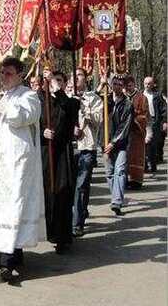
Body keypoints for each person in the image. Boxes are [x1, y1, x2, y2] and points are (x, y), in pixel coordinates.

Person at [0, 57, 45, 282]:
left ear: (20, 74)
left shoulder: (29, 96)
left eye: (9, 73)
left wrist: (0, 99)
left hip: (18, 165)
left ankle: (6, 261)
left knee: (16, 208)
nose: (4, 77)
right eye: (2, 73)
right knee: (1, 210)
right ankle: (12, 252)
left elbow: (20, 118)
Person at [40, 71, 78, 253]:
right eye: (52, 80)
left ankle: (63, 237)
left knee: (62, 194)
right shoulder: (41, 101)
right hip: (46, 153)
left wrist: (58, 91)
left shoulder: (71, 102)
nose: (56, 83)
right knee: (48, 193)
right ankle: (50, 231)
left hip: (63, 154)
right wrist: (42, 132)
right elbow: (33, 125)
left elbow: (70, 116)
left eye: (60, 80)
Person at [72, 68, 103, 237]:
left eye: (79, 75)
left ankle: (77, 223)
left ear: (86, 78)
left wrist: (85, 109)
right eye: (74, 75)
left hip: (87, 147)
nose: (76, 78)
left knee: (82, 185)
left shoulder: (94, 98)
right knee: (71, 186)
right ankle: (80, 212)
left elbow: (99, 120)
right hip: (70, 146)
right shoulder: (68, 96)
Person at [104, 75, 133, 216]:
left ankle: (116, 202)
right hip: (105, 141)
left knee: (120, 170)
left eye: (119, 84)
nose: (116, 86)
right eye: (114, 83)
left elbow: (125, 126)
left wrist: (114, 142)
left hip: (120, 143)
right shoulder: (106, 99)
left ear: (122, 86)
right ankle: (116, 196)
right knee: (109, 173)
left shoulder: (127, 104)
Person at [124, 75, 149, 189]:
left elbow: (144, 115)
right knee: (124, 156)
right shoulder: (122, 97)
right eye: (126, 86)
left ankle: (136, 181)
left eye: (130, 85)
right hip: (123, 132)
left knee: (136, 155)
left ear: (134, 85)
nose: (128, 88)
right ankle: (124, 179)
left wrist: (134, 119)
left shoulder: (142, 98)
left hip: (136, 132)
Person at [143, 77, 166, 173]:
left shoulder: (157, 95)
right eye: (146, 83)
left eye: (149, 83)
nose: (147, 85)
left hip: (154, 121)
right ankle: (144, 165)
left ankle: (152, 164)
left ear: (153, 85)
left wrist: (165, 121)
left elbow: (164, 110)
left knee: (152, 144)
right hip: (143, 121)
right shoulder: (140, 95)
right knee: (144, 144)